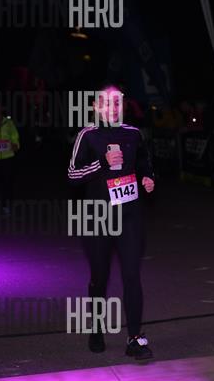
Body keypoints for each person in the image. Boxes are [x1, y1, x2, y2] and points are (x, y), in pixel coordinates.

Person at [67, 84, 156, 360]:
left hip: (129, 215)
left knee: (131, 275)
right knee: (100, 277)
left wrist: (148, 177)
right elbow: (72, 175)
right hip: (98, 218)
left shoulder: (133, 133)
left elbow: (144, 162)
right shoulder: (87, 135)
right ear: (96, 107)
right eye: (107, 102)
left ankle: (134, 338)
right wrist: (102, 163)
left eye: (118, 102)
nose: (113, 107)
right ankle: (96, 328)